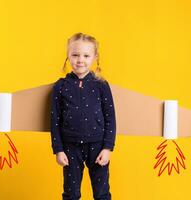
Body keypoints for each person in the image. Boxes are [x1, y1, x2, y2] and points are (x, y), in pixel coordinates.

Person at [50, 32, 116, 200]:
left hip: (98, 146)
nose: (80, 60)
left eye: (86, 55)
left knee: (102, 193)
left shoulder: (101, 85)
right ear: (68, 56)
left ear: (94, 57)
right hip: (70, 147)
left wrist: (107, 148)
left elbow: (110, 117)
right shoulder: (60, 86)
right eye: (75, 55)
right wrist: (58, 150)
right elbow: (55, 120)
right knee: (71, 194)